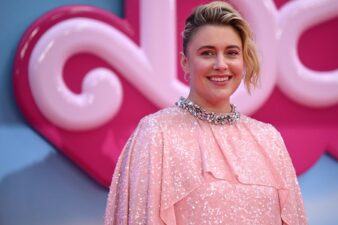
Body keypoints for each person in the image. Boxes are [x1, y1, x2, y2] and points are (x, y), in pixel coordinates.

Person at [104, 1, 307, 224]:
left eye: (231, 53)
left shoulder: (268, 139)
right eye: (207, 53)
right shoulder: (156, 134)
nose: (221, 64)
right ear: (185, 62)